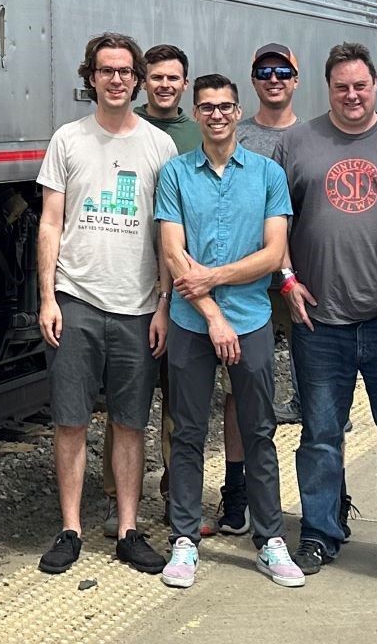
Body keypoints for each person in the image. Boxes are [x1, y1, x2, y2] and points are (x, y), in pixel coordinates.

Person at [274, 43, 377, 587]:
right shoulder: (296, 143)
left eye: (360, 86)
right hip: (320, 321)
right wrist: (287, 279)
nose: (351, 95)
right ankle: (319, 533)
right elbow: (276, 220)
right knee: (320, 435)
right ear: (328, 88)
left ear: (376, 87)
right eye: (341, 87)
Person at [152, 75, 305, 589]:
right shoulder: (175, 174)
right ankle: (184, 540)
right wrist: (214, 315)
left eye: (225, 107)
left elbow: (273, 253)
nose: (216, 115)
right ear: (197, 114)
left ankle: (270, 539)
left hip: (252, 317)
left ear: (238, 112)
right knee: (187, 431)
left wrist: (213, 278)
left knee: (259, 431)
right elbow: (173, 253)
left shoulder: (267, 174)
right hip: (191, 322)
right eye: (207, 107)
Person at [35, 32, 172, 576]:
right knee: (70, 420)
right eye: (106, 70)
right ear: (90, 77)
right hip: (77, 299)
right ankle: (70, 529)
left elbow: (166, 233)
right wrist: (47, 297)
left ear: (137, 80)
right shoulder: (67, 140)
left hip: (137, 306)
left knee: (130, 421)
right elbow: (50, 222)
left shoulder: (158, 146)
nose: (116, 79)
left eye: (125, 71)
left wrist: (163, 304)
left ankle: (127, 530)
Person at [201, 42, 301, 537]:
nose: (274, 78)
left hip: (306, 282)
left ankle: (328, 497)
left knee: (317, 392)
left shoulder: (314, 135)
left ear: (296, 78)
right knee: (239, 395)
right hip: (247, 286)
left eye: (282, 71)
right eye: (264, 72)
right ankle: (237, 493)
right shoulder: (232, 137)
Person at [139, 45, 202, 153]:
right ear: (143, 82)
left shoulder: (201, 136)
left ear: (185, 84)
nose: (165, 85)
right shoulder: (125, 127)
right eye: (157, 77)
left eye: (173, 78)